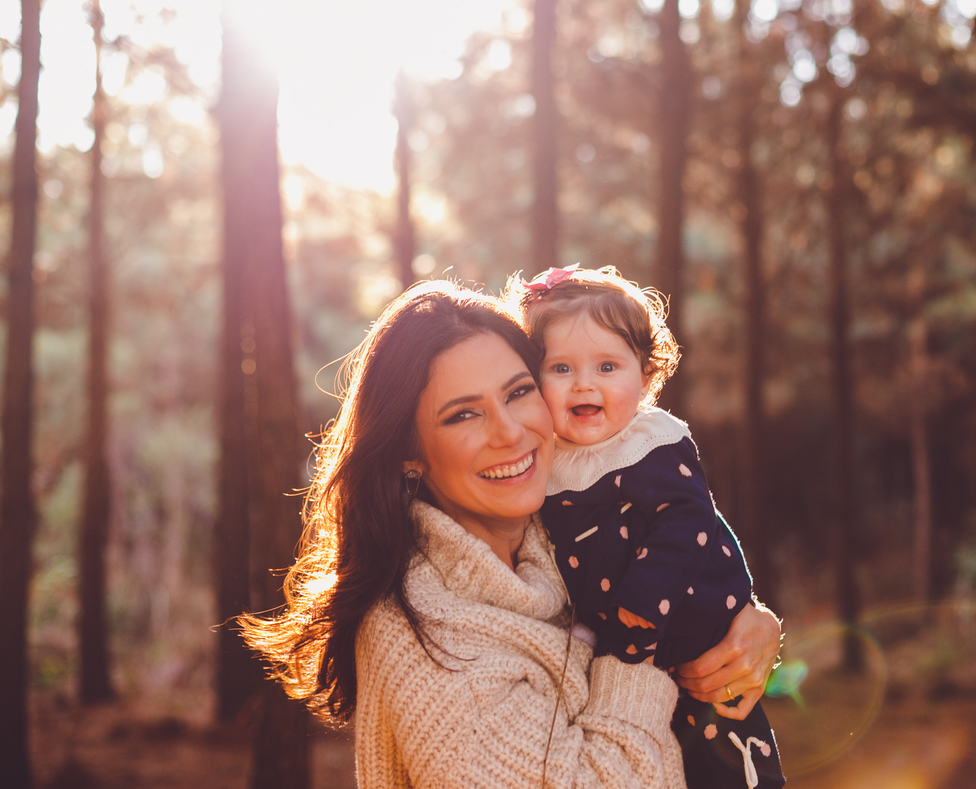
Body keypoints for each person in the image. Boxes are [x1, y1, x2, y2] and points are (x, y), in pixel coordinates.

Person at [240, 281, 782, 788]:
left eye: (519, 391)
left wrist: (745, 621)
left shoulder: (554, 534)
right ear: (410, 454)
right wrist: (647, 654)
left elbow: (681, 519)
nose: (509, 432)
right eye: (462, 416)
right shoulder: (426, 634)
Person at [509, 266, 785, 789]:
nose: (584, 383)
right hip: (631, 672)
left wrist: (635, 620)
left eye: (608, 366)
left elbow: (686, 526)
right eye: (561, 367)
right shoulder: (544, 465)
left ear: (646, 375)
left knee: (730, 761)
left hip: (691, 634)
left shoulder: (651, 445)